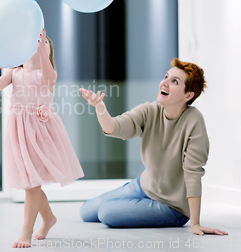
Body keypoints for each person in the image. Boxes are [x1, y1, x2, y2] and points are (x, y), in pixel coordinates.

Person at [78, 58, 228, 236]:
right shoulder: (150, 111)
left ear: (188, 96)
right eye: (166, 76)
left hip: (171, 206)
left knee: (106, 213)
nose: (164, 83)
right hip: (143, 186)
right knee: (86, 211)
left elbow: (193, 172)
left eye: (174, 81)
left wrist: (195, 223)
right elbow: (114, 127)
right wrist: (100, 108)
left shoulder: (194, 121)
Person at [0, 28, 84, 248]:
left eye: (40, 45)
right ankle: (49, 218)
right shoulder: (14, 72)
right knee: (32, 182)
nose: (34, 48)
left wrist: (43, 55)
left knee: (32, 184)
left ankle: (26, 232)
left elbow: (49, 80)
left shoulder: (46, 73)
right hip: (20, 131)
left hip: (41, 132)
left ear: (46, 51)